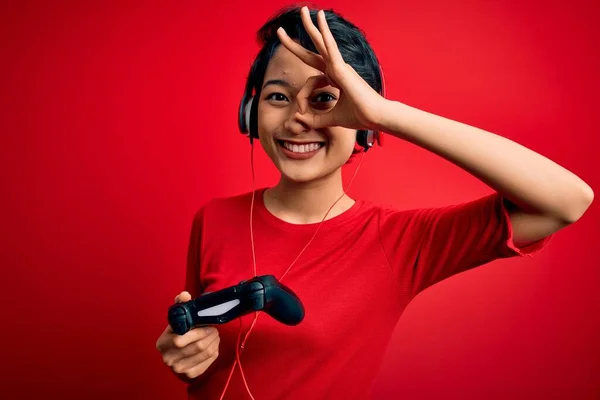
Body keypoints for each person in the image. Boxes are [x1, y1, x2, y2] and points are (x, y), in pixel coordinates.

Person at [155, 5, 593, 400]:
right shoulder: (213, 218)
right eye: (277, 97)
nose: (298, 118)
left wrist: (386, 114)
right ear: (249, 114)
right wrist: (187, 356)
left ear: (363, 123)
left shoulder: (397, 242)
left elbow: (566, 201)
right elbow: (207, 362)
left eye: (326, 98)